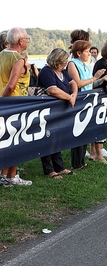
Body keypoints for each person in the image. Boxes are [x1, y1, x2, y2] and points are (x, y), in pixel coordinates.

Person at [67, 40, 107, 169]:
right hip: (80, 100)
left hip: (88, 101)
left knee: (85, 132)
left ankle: (82, 161)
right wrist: (94, 77)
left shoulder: (85, 64)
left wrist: (102, 79)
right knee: (78, 132)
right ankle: (76, 163)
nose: (89, 54)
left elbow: (90, 84)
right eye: (87, 51)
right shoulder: (72, 64)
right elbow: (78, 83)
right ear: (79, 53)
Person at [38, 48, 78, 179]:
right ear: (57, 60)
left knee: (57, 138)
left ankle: (59, 166)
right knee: (48, 138)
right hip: (47, 111)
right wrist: (69, 97)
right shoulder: (47, 71)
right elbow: (53, 90)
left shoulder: (63, 72)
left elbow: (73, 83)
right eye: (64, 61)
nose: (66, 63)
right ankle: (48, 169)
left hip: (60, 111)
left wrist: (74, 95)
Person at [0, 27, 32, 186]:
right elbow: (12, 85)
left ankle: (3, 174)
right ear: (20, 41)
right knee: (17, 140)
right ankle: (11, 176)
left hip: (5, 102)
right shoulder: (17, 59)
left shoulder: (1, 55)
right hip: (15, 103)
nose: (28, 41)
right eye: (27, 38)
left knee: (5, 139)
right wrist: (4, 101)